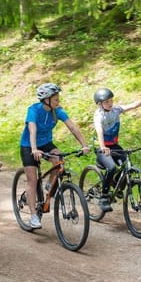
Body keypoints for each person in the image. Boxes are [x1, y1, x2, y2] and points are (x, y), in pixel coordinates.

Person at [20, 83, 90, 229]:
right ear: (46, 100)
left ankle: (49, 184)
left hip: (46, 143)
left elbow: (72, 127)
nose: (59, 101)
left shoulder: (57, 111)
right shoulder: (33, 110)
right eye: (56, 99)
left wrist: (84, 145)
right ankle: (33, 216)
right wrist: (34, 149)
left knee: (59, 160)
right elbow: (32, 129)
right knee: (32, 181)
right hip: (29, 145)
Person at [92, 87, 141, 212]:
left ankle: (116, 184)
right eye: (107, 102)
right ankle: (104, 197)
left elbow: (132, 106)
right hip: (101, 147)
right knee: (111, 168)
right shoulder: (98, 115)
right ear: (100, 104)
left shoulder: (116, 110)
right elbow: (99, 130)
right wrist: (102, 147)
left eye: (111, 100)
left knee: (128, 165)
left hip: (114, 145)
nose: (110, 103)